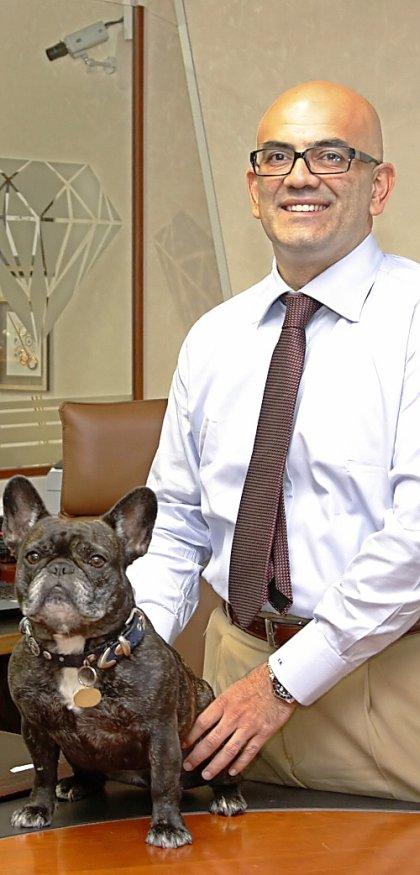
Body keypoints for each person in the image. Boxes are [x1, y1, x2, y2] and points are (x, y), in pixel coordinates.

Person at [128, 80, 420, 801]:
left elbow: (415, 538)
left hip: (385, 689)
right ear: (254, 189)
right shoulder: (213, 338)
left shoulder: (414, 319)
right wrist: (133, 653)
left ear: (379, 186)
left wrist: (283, 683)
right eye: (277, 157)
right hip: (229, 688)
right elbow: (176, 524)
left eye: (331, 155)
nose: (299, 176)